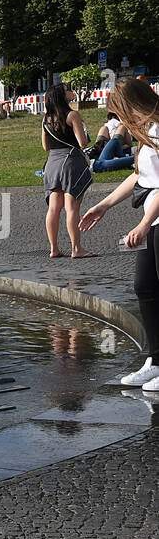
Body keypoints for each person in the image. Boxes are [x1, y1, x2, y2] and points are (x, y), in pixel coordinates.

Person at [80, 78, 159, 390]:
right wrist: (104, 205)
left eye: (120, 113)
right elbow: (139, 176)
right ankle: (155, 360)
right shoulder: (145, 134)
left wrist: (142, 225)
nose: (120, 122)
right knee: (144, 287)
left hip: (155, 218)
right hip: (152, 217)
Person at [41, 83, 94, 259]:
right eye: (67, 91)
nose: (71, 92)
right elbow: (83, 143)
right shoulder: (72, 115)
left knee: (54, 208)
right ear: (62, 96)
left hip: (52, 164)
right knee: (72, 208)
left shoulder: (46, 119)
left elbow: (45, 146)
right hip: (70, 162)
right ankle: (76, 249)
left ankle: (54, 249)